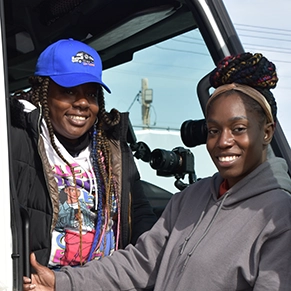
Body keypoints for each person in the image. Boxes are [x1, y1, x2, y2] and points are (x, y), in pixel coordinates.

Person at [23, 52, 291, 290]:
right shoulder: (192, 198)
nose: (223, 141)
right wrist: (62, 282)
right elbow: (141, 263)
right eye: (213, 130)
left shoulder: (278, 216)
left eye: (238, 129)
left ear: (267, 132)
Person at [10, 38, 157, 270]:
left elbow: (139, 214)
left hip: (104, 281)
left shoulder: (112, 149)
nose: (82, 103)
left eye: (91, 94)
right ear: (42, 93)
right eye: (69, 91)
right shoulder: (14, 138)